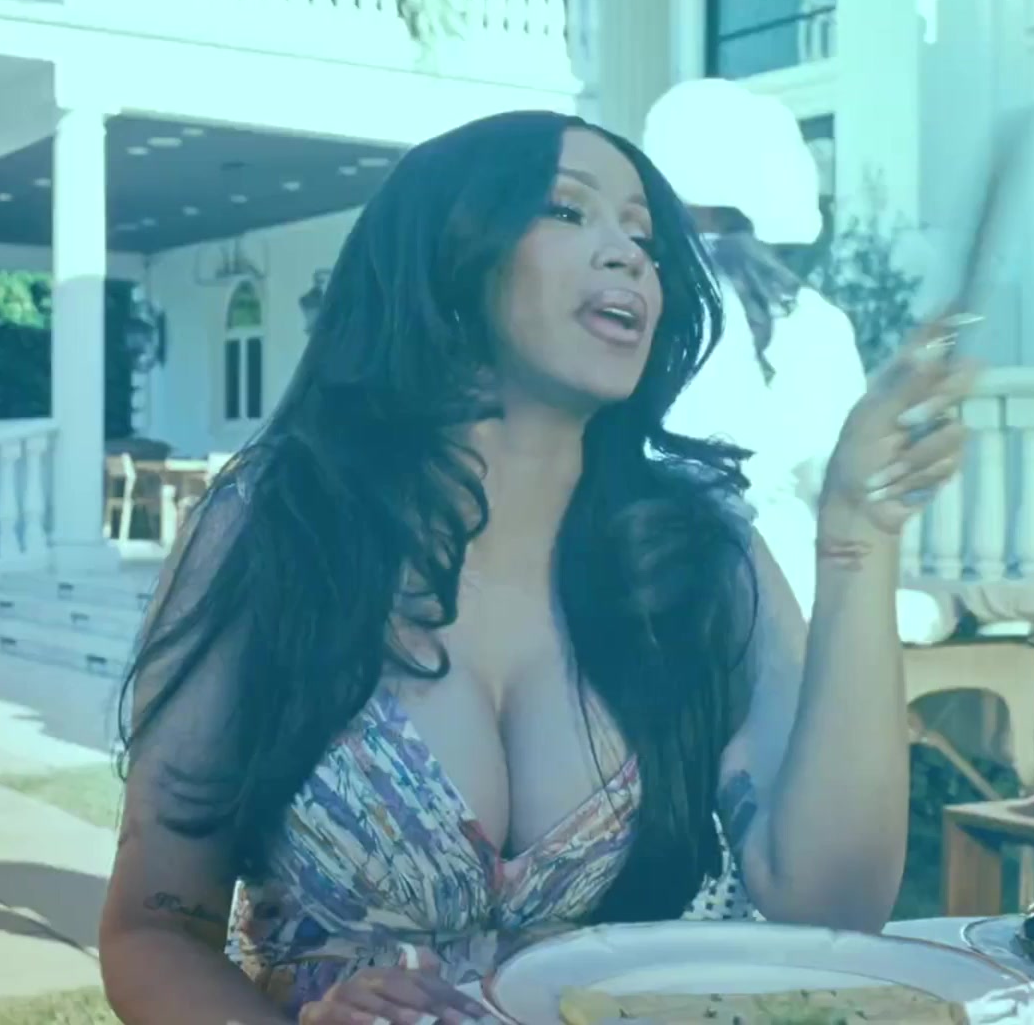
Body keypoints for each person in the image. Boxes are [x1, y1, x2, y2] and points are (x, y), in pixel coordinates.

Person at [98, 109, 974, 1025]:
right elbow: (153, 931)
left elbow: (832, 903)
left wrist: (858, 539)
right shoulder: (276, 530)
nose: (629, 254)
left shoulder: (699, 558)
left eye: (644, 237)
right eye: (568, 211)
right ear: (446, 255)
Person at [645, 82, 947, 638]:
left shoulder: (630, 302)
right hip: (784, 597)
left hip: (648, 587)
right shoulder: (814, 321)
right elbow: (843, 479)